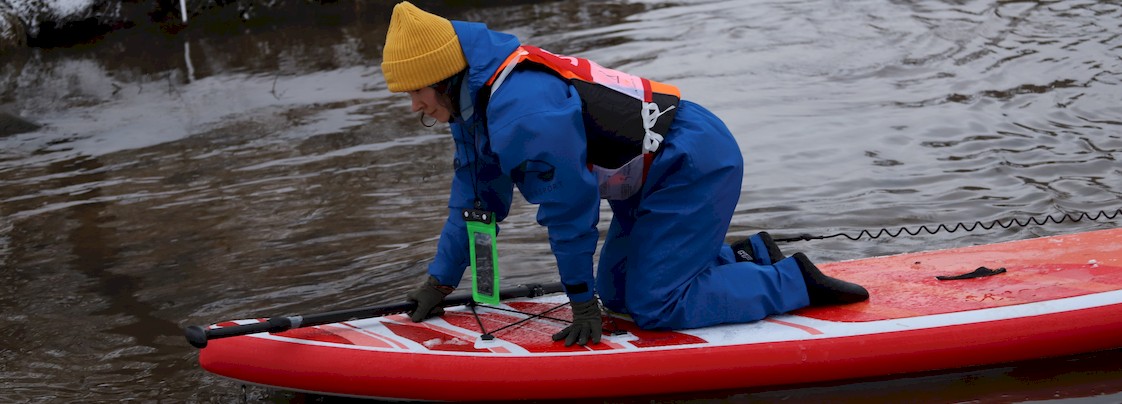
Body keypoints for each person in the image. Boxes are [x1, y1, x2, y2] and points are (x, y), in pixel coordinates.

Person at [381, 1, 869, 347]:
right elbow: (477, 204)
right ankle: (748, 255)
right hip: (648, 176)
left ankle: (793, 280)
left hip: (692, 163)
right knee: (616, 295)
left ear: (447, 74)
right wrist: (439, 283)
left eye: (417, 92)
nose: (412, 106)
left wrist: (579, 304)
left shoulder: (523, 113)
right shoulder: (473, 108)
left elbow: (570, 213)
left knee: (656, 308)